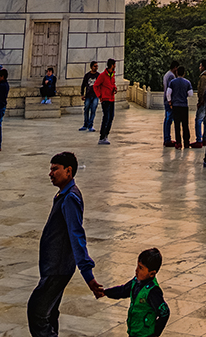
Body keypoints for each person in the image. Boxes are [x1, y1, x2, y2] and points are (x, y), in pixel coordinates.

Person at [27, 152, 104, 336]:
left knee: (37, 313)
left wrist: (87, 273)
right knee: (50, 313)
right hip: (54, 267)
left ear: (68, 171)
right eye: (50, 169)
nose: (50, 173)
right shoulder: (65, 194)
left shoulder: (70, 198)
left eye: (55, 169)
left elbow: (76, 235)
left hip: (57, 269)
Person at [103, 246, 171, 336]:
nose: (136, 270)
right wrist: (105, 292)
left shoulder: (152, 291)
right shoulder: (136, 282)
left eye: (141, 268)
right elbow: (123, 291)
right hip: (134, 332)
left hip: (145, 334)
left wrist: (155, 334)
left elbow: (164, 313)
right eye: (137, 266)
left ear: (152, 273)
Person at [166, 67, 193, 149]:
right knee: (185, 125)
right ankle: (186, 143)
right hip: (184, 106)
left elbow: (168, 93)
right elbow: (190, 94)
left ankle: (178, 143)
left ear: (177, 73)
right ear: (184, 73)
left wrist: (170, 102)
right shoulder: (187, 82)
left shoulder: (172, 82)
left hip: (175, 106)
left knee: (177, 125)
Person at [94, 59, 117, 145]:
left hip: (112, 98)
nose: (115, 66)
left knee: (111, 117)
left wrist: (114, 88)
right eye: (114, 65)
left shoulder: (112, 75)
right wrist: (100, 95)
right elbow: (95, 85)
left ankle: (106, 135)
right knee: (106, 117)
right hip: (105, 99)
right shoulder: (103, 75)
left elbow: (112, 84)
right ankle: (102, 137)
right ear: (111, 65)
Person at [193, 60, 206, 149]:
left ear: (203, 67)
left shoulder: (203, 78)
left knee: (198, 120)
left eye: (200, 66)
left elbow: (203, 91)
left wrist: (200, 101)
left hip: (204, 102)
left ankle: (199, 140)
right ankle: (205, 139)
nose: (199, 67)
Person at [79, 61, 100, 132]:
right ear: (91, 67)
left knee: (93, 110)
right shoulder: (87, 75)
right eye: (95, 66)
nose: (96, 67)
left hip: (95, 95)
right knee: (86, 109)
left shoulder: (98, 75)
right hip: (88, 95)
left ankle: (90, 125)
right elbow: (83, 85)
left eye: (97, 66)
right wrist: (82, 94)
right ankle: (85, 124)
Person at [162, 61, 178, 148]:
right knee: (168, 120)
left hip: (166, 100)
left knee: (167, 120)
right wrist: (170, 101)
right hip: (169, 101)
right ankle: (167, 139)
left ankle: (167, 138)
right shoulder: (171, 76)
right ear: (175, 67)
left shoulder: (166, 74)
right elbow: (170, 89)